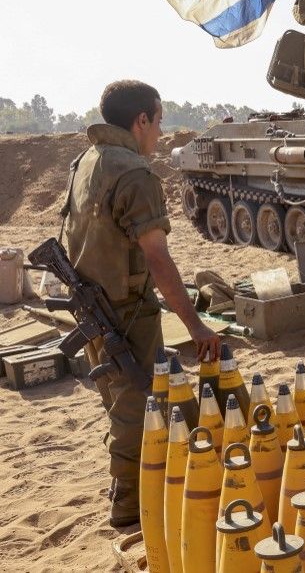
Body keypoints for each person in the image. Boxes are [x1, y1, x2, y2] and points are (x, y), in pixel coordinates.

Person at [63, 80, 221, 527]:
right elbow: (157, 258)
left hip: (93, 309)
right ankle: (130, 507)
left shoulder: (86, 160)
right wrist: (196, 325)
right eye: (159, 120)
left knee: (122, 403)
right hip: (124, 312)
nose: (159, 131)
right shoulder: (134, 172)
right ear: (141, 120)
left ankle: (138, 488)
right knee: (139, 409)